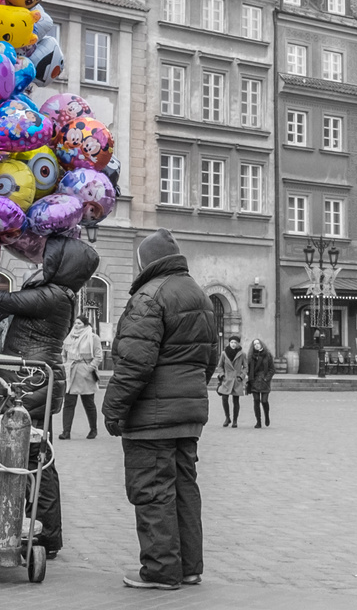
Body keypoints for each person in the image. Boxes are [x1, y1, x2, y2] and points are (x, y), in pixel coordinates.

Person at [0, 233, 98, 560]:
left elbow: (7, 303)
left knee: (36, 460)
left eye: (50, 257)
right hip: (26, 382)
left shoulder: (55, 295)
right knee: (30, 458)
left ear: (62, 264)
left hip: (33, 385)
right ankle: (36, 529)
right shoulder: (53, 293)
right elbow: (7, 314)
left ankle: (46, 534)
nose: (43, 260)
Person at [102, 230, 216, 590]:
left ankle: (161, 569)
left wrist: (113, 409)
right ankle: (189, 567)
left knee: (152, 490)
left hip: (151, 417)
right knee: (184, 489)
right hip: (187, 413)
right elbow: (209, 358)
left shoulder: (149, 297)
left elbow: (135, 364)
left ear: (145, 261)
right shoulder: (198, 293)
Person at [60, 317, 103, 439]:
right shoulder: (69, 337)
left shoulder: (93, 337)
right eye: (75, 323)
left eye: (79, 323)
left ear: (85, 325)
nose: (76, 325)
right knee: (68, 403)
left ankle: (93, 430)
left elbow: (99, 356)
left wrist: (89, 368)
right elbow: (63, 354)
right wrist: (65, 365)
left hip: (85, 374)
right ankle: (66, 432)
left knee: (89, 403)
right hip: (71, 372)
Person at [214, 336, 247, 428]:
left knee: (236, 400)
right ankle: (227, 418)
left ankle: (235, 420)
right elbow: (220, 366)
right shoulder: (224, 353)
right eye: (232, 342)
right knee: (224, 398)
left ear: (238, 344)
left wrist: (241, 376)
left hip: (236, 380)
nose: (233, 344)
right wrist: (222, 375)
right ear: (229, 343)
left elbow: (245, 367)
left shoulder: (242, 354)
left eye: (235, 342)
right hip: (226, 379)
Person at [246, 339, 276, 428]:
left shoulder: (267, 355)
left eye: (258, 343)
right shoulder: (251, 356)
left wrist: (267, 378)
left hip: (264, 380)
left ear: (261, 344)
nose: (257, 345)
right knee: (256, 401)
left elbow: (272, 369)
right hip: (254, 380)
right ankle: (258, 421)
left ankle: (266, 416)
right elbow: (249, 369)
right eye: (255, 344)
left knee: (264, 401)